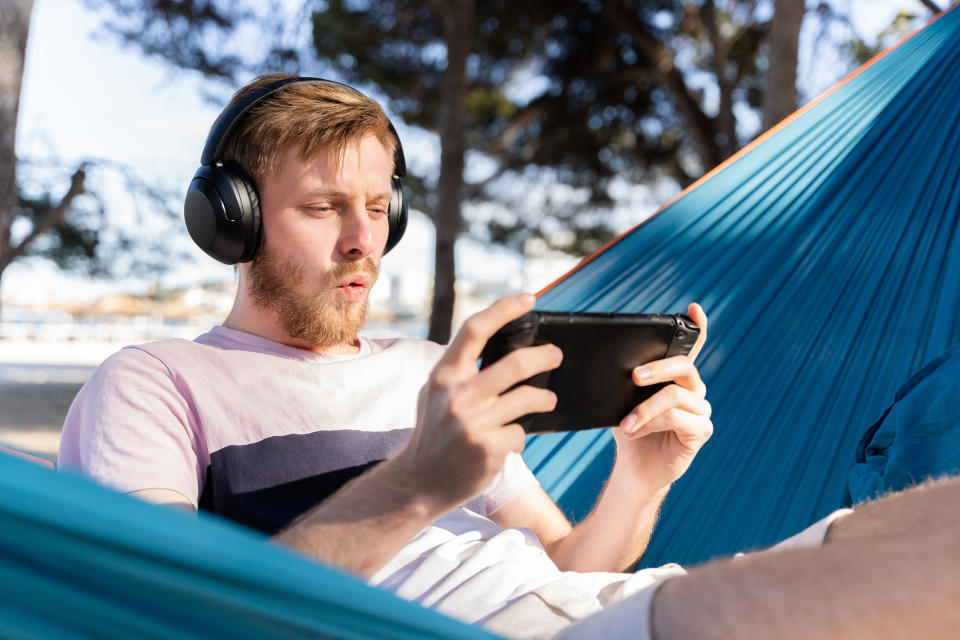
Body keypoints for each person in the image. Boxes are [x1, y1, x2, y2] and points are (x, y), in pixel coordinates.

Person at [58, 75, 960, 639]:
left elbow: (571, 566)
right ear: (233, 220)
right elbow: (165, 611)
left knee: (924, 524)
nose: (361, 242)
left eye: (378, 209)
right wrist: (421, 479)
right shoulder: (156, 381)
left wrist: (639, 480)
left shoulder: (426, 371)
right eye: (323, 207)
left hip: (607, 609)